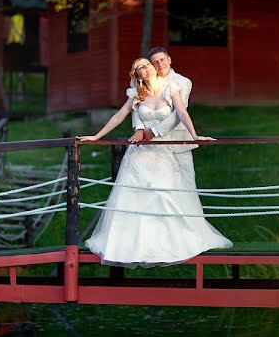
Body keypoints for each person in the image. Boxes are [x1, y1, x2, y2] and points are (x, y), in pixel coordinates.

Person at [79, 57, 232, 267]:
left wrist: (195, 136)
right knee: (134, 199)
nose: (146, 68)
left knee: (165, 197)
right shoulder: (137, 95)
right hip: (139, 156)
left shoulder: (171, 88)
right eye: (140, 67)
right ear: (137, 75)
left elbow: (181, 112)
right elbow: (120, 116)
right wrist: (96, 136)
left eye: (147, 65)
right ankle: (131, 246)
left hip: (161, 152)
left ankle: (169, 245)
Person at [129, 47, 196, 189]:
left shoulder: (182, 82)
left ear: (169, 60)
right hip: (149, 145)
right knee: (147, 185)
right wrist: (140, 128)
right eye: (155, 62)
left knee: (185, 184)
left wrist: (154, 131)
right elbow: (136, 109)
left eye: (162, 60)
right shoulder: (144, 80)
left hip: (178, 140)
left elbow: (179, 112)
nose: (159, 64)